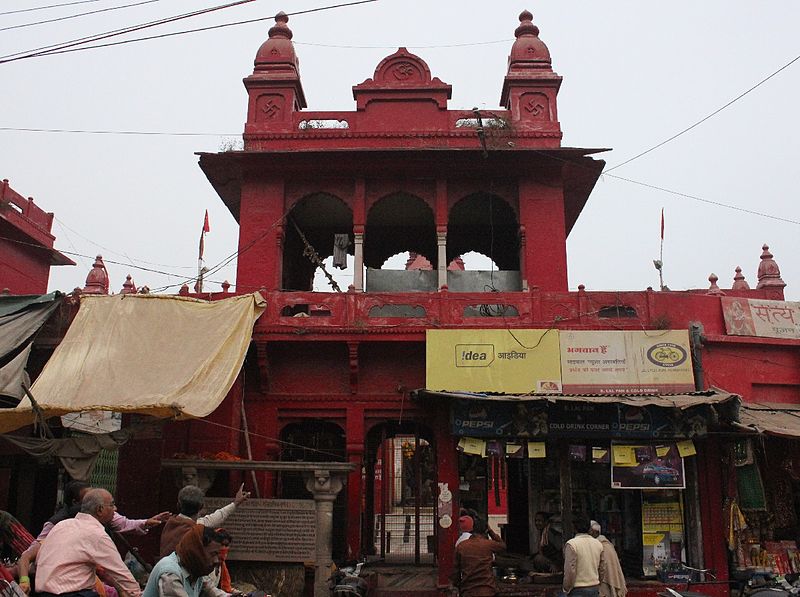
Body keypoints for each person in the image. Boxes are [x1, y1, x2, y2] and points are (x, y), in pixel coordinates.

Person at [34, 488, 142, 597]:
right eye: (112, 504)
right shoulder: (96, 534)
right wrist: (136, 593)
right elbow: (120, 573)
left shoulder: (61, 525)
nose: (115, 509)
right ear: (100, 510)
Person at [37, 480, 171, 542]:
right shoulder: (57, 523)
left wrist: (147, 522)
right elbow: (37, 547)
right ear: (75, 503)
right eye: (88, 498)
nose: (94, 500)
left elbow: (125, 524)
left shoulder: (104, 517)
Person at [160, 484, 249, 558]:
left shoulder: (171, 524)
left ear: (178, 505)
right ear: (201, 508)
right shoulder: (195, 531)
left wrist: (236, 503)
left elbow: (213, 519)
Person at [144, 525, 230, 597]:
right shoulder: (170, 573)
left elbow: (211, 590)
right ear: (197, 551)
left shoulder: (194, 570)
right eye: (212, 554)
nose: (216, 560)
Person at [452, 516, 506, 597]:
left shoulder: (461, 546)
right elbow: (503, 546)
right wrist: (491, 531)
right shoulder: (488, 544)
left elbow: (456, 572)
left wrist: (458, 585)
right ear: (485, 531)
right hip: (488, 590)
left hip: (468, 591)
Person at [562, 515, 605, 597]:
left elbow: (570, 570)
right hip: (594, 587)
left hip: (577, 589)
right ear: (589, 529)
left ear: (574, 528)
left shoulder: (572, 544)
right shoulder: (598, 544)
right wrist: (598, 582)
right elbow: (602, 568)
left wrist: (566, 589)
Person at [589, 521, 626, 597]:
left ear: (594, 532)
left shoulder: (600, 545)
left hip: (604, 582)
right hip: (608, 580)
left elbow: (602, 567)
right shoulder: (607, 544)